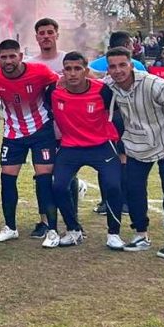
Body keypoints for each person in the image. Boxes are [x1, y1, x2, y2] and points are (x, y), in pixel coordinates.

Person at [105, 47, 164, 259]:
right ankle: (141, 235)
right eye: (113, 66)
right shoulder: (109, 85)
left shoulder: (153, 83)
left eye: (122, 65)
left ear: (131, 65)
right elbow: (87, 80)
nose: (118, 70)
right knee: (134, 190)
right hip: (135, 147)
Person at [0, 39, 60, 244]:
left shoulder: (40, 71)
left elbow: (58, 86)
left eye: (12, 56)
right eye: (4, 57)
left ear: (20, 56)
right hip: (13, 133)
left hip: (41, 130)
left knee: (44, 178)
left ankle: (51, 229)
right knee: (8, 178)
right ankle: (10, 227)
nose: (8, 61)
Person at [45, 52, 124, 250]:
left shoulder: (103, 91)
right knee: (58, 186)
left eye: (77, 68)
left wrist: (121, 146)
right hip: (70, 147)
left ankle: (113, 233)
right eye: (68, 69)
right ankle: (74, 230)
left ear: (86, 71)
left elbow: (119, 117)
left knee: (113, 185)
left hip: (101, 145)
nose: (72, 73)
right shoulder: (53, 91)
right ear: (62, 71)